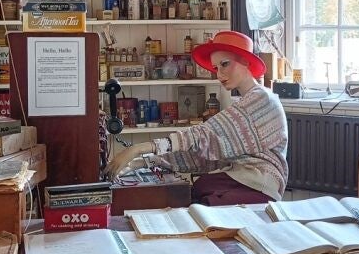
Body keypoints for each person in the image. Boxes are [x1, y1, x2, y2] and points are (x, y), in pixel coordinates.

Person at [105, 31, 289, 205]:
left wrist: (140, 149)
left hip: (259, 187)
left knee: (194, 198)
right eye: (216, 68)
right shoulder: (248, 101)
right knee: (196, 190)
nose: (219, 74)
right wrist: (144, 162)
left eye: (225, 64)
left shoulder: (262, 99)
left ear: (247, 62)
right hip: (241, 181)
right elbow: (202, 154)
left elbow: (204, 135)